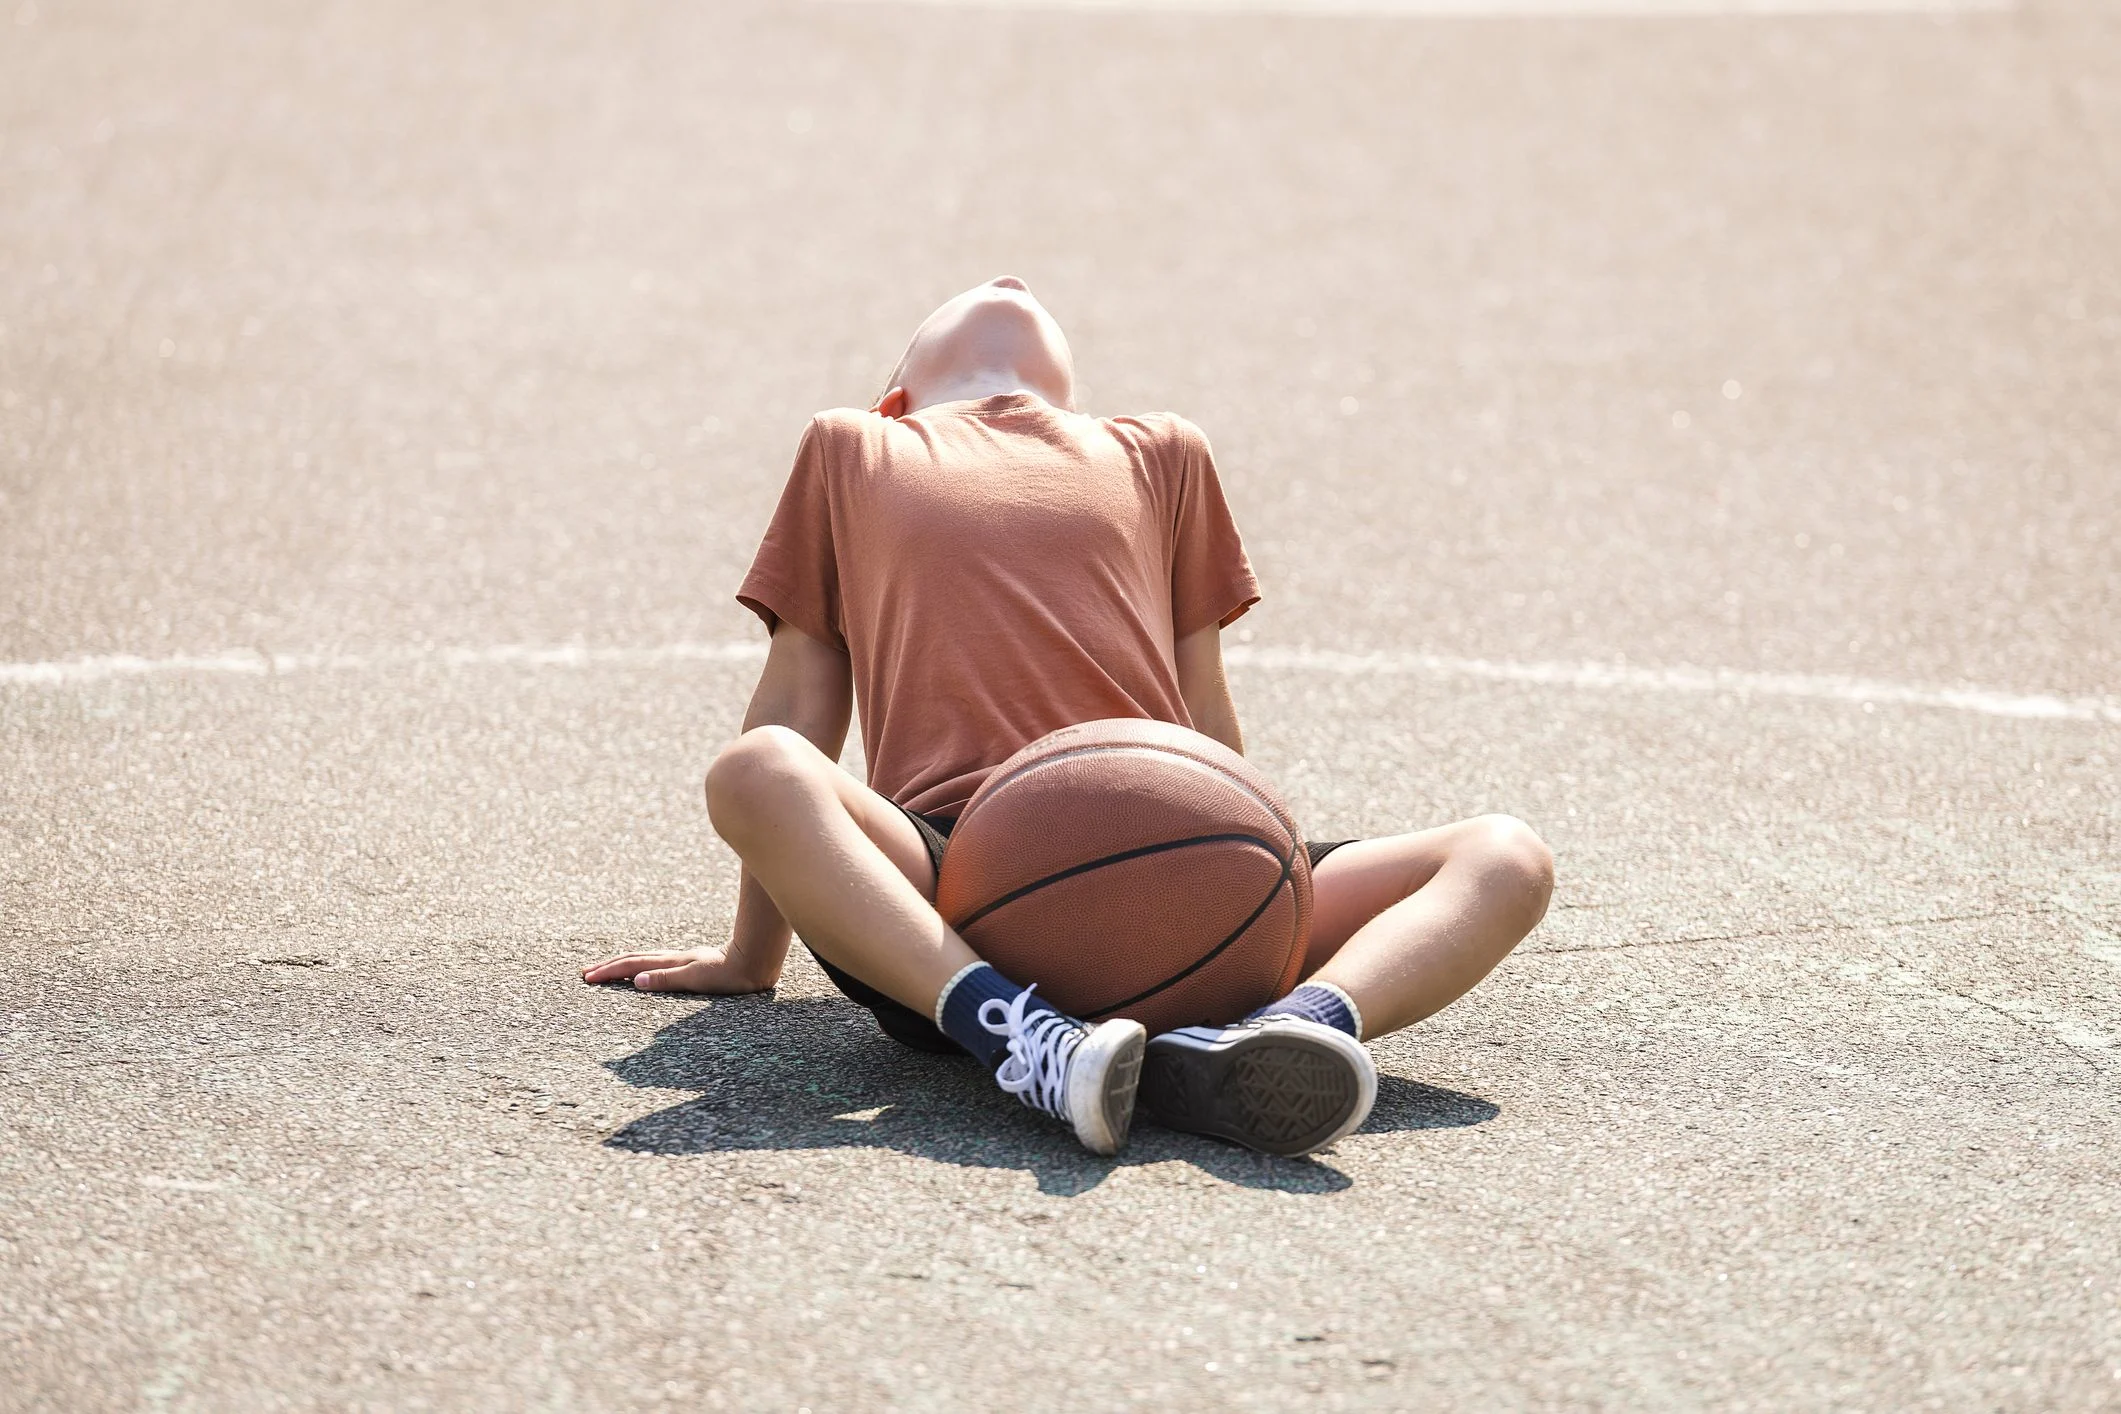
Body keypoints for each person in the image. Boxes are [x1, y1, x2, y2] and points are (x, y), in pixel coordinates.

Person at [582, 277, 1554, 1158]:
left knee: (1506, 855)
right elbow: (798, 706)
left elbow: (1207, 715)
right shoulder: (854, 445)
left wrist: (1252, 885)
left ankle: (1275, 1034)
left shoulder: (1162, 451)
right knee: (757, 766)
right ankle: (1023, 1037)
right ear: (899, 394)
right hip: (955, 882)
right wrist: (754, 956)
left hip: (1180, 852)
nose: (1006, 277)